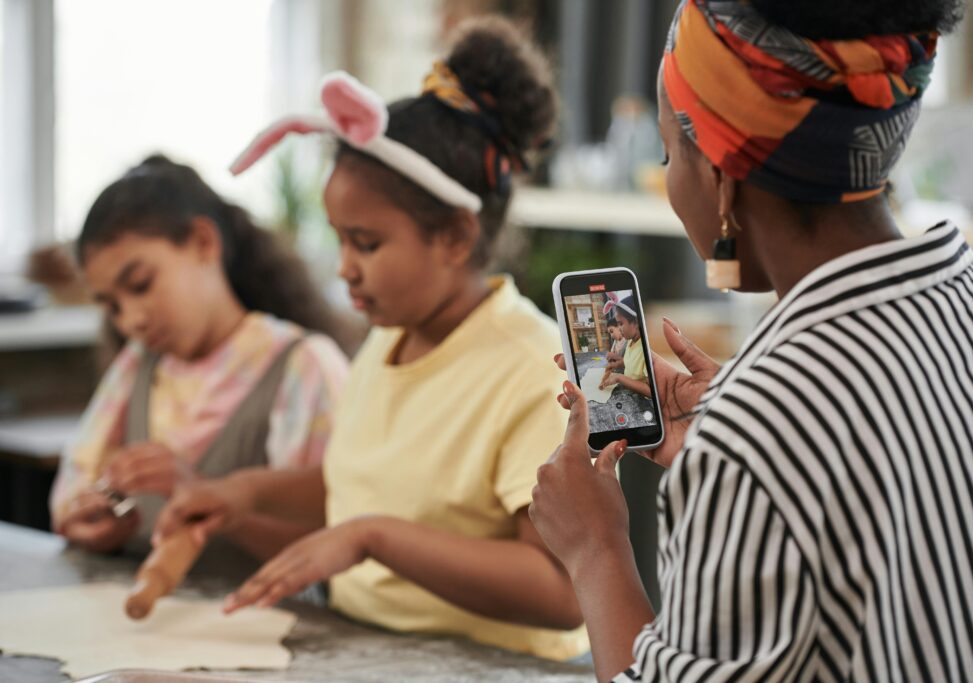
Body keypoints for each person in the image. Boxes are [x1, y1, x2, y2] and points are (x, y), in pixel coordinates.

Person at [530, 0, 973, 680]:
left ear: (722, 178)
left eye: (672, 153)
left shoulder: (757, 429)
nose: (671, 182)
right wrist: (738, 461)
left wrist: (596, 549)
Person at [155, 18, 589, 660]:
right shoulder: (388, 340)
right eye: (339, 239)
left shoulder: (532, 367)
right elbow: (362, 487)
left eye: (367, 243)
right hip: (371, 652)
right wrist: (243, 495)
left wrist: (373, 538)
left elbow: (562, 591)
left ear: (454, 238)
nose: (344, 267)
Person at [50, 155, 350, 561]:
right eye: (112, 307)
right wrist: (95, 523)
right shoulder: (139, 365)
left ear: (204, 243)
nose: (131, 320)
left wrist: (206, 497)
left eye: (140, 285)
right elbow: (70, 495)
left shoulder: (304, 364)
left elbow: (333, 539)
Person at [601, 296, 651, 398]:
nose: (619, 329)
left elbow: (651, 391)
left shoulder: (646, 349)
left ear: (636, 322)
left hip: (641, 401)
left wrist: (619, 378)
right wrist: (617, 364)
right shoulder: (630, 341)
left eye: (620, 323)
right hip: (629, 393)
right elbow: (631, 362)